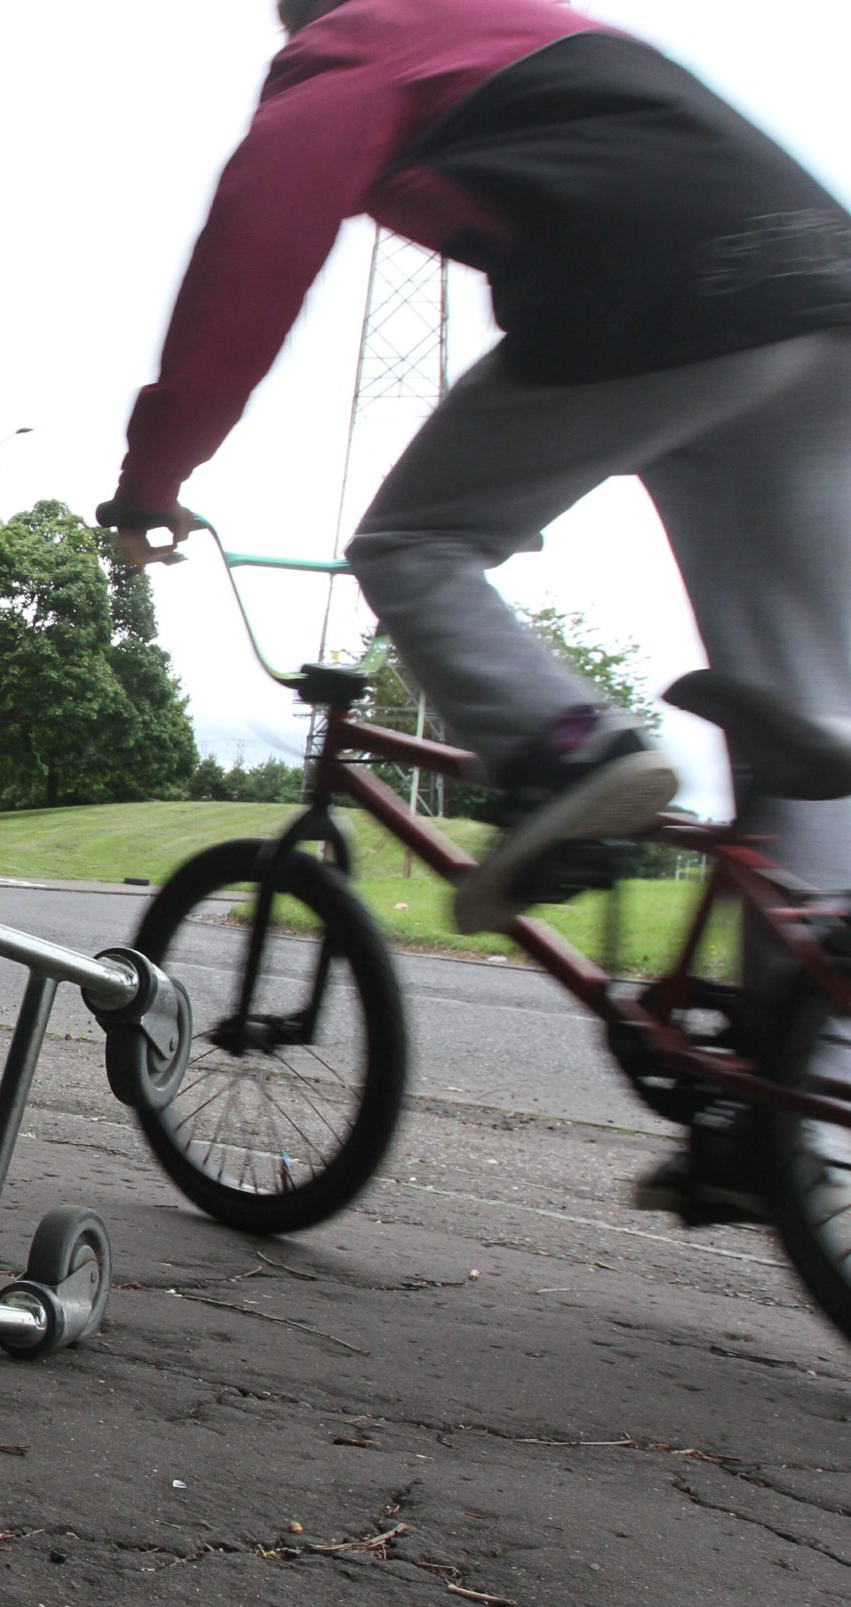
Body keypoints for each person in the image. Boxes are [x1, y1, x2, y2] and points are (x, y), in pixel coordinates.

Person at [104, 0, 851, 1216]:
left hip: (668, 290)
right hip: (825, 298)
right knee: (807, 728)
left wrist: (152, 480)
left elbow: (246, 268)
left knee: (413, 542)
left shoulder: (350, 48)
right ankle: (779, 1103)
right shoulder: (523, 23)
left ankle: (570, 755)